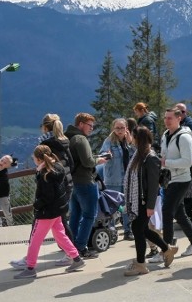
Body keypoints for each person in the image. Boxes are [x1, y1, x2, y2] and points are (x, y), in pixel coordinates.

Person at [13, 145, 85, 279]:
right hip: (57, 210)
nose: (33, 159)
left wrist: (36, 205)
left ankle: (30, 268)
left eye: (34, 158)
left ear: (39, 159)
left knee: (35, 240)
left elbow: (47, 196)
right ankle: (76, 259)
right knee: (60, 235)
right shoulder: (57, 167)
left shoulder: (45, 173)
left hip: (46, 212)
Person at [123, 127, 174, 276]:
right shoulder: (139, 155)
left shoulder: (150, 157)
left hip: (144, 201)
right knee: (143, 230)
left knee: (138, 230)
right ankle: (166, 249)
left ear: (138, 139)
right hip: (137, 200)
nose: (131, 139)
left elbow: (153, 185)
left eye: (132, 136)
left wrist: (150, 206)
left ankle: (140, 264)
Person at [160, 108, 192, 256]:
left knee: (166, 211)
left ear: (179, 118)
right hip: (170, 179)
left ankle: (166, 249)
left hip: (181, 180)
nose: (166, 120)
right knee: (179, 214)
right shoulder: (165, 135)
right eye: (165, 118)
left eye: (170, 118)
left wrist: (166, 163)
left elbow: (187, 161)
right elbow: (163, 156)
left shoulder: (184, 138)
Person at [66, 112, 107, 259]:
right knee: (90, 215)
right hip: (85, 181)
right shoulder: (80, 139)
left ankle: (70, 246)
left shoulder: (68, 138)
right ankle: (81, 247)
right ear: (81, 124)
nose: (91, 129)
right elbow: (88, 162)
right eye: (90, 126)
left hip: (72, 183)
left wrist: (94, 158)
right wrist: (99, 160)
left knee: (75, 215)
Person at [100, 118, 134, 240]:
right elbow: (102, 155)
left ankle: (127, 231)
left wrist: (131, 143)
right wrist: (107, 155)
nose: (119, 130)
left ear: (126, 129)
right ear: (113, 129)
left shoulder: (128, 142)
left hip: (126, 179)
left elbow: (137, 155)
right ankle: (112, 232)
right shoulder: (109, 141)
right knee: (112, 207)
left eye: (122, 128)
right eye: (117, 128)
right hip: (112, 179)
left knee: (126, 206)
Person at [0, 154, 12, 227]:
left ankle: (11, 227)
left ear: (7, 166)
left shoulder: (4, 174)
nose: (2, 162)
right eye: (2, 160)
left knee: (7, 212)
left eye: (5, 163)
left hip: (4, 195)